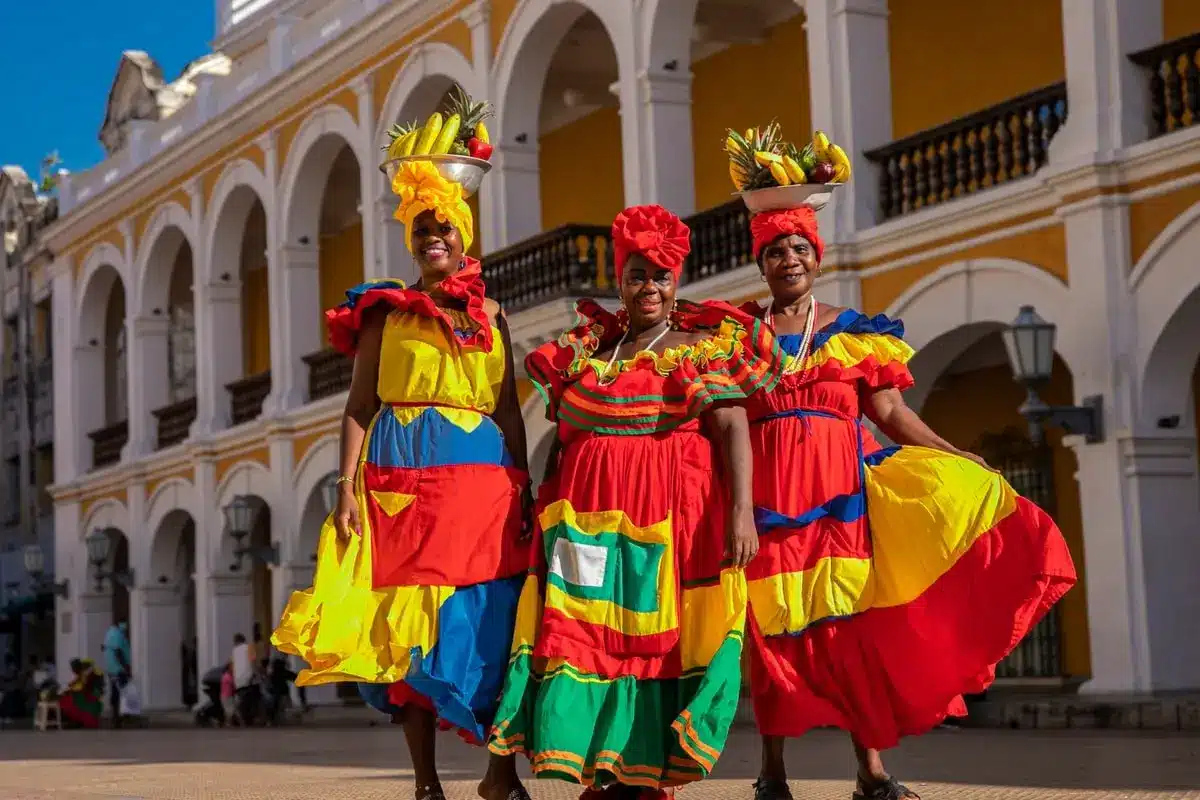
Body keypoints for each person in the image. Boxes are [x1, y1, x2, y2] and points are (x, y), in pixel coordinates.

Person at [736, 204, 1078, 800]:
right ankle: (772, 773)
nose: (787, 260)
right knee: (771, 630)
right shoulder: (738, 334)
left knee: (852, 631)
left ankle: (870, 774)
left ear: (817, 258)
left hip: (840, 499)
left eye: (798, 249)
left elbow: (890, 413)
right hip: (768, 502)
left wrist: (955, 455)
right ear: (760, 263)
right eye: (774, 251)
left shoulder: (850, 330)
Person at [487, 204, 784, 797]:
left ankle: (637, 773)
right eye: (637, 275)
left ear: (678, 283)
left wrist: (742, 512)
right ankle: (599, 771)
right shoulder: (589, 353)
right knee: (586, 636)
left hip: (673, 522)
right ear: (619, 281)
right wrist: (544, 512)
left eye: (661, 276)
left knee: (656, 646)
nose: (649, 287)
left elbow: (730, 429)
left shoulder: (701, 347)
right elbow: (564, 445)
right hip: (586, 523)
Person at [273, 156, 531, 800]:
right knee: (410, 630)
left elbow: (506, 410)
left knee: (490, 620)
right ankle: (425, 782)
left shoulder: (494, 316)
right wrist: (344, 488)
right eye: (421, 229)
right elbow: (360, 407)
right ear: (409, 240)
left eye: (444, 226)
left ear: (464, 232)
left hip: (481, 484)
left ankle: (499, 774)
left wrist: (523, 486)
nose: (433, 238)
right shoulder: (386, 314)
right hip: (402, 483)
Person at [59, 659, 106, 729]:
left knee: (71, 701)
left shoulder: (91, 673)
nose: (73, 671)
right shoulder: (83, 673)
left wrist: (72, 690)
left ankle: (79, 722)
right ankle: (76, 721)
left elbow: (86, 687)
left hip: (92, 695)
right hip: (86, 694)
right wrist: (70, 687)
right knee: (66, 699)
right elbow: (75, 682)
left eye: (74, 669)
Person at [102, 621, 131, 729]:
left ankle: (116, 717)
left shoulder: (109, 633)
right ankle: (120, 717)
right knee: (122, 692)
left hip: (111, 668)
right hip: (119, 669)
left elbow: (104, 648)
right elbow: (118, 652)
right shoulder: (117, 634)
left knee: (115, 691)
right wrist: (126, 667)